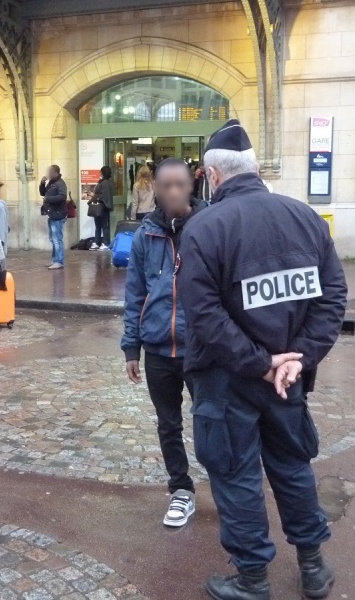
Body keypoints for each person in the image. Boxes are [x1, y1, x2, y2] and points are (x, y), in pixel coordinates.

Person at [177, 119, 347, 600]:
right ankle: (313, 567)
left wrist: (260, 362)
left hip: (229, 379)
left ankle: (252, 578)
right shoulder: (305, 217)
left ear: (211, 177)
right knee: (292, 467)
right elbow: (333, 297)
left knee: (236, 475)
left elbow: (204, 317)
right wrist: (297, 358)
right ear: (254, 168)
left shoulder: (204, 227)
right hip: (287, 377)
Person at [121, 158, 207, 528]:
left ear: (192, 186)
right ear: (154, 188)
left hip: (201, 349)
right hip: (158, 348)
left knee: (211, 421)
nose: (173, 191)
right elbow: (135, 292)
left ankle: (226, 484)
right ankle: (181, 490)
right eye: (165, 185)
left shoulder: (209, 228)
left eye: (180, 184)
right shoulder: (146, 235)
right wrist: (131, 347)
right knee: (168, 424)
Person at [39, 165, 67, 270]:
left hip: (58, 214)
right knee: (53, 238)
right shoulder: (52, 183)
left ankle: (59, 261)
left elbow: (63, 196)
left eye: (50, 171)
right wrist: (42, 183)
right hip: (51, 214)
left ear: (55, 172)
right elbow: (42, 193)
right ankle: (55, 259)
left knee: (57, 239)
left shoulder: (60, 183)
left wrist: (48, 199)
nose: (48, 173)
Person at [88, 166, 114, 251]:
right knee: (98, 225)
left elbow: (104, 196)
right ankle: (97, 242)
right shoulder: (105, 182)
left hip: (102, 207)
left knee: (103, 225)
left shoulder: (105, 183)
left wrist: (95, 197)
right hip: (101, 206)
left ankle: (105, 243)